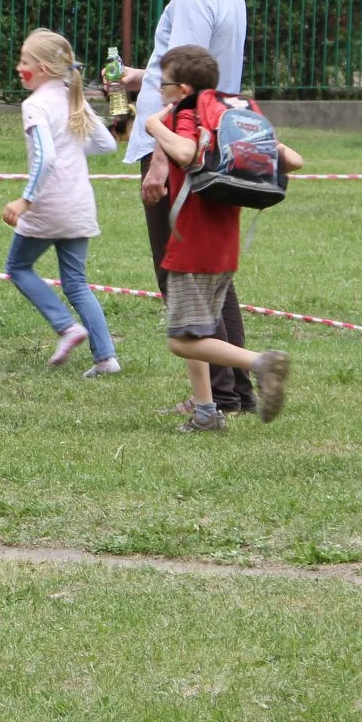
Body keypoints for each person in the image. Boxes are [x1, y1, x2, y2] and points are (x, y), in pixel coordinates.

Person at [114, 0, 257, 415]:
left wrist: (157, 159)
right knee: (210, 272)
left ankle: (217, 394)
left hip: (182, 153)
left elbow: (184, 88)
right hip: (209, 145)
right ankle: (236, 390)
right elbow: (187, 71)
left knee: (183, 272)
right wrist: (140, 76)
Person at [143, 45, 301, 433]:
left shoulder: (186, 112)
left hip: (191, 241)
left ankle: (260, 363)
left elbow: (183, 150)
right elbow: (294, 160)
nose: (159, 91)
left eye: (162, 84)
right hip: (225, 243)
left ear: (180, 87)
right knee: (194, 327)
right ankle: (206, 412)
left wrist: (154, 126)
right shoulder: (233, 111)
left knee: (181, 341)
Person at [1, 30, 120, 376]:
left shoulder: (35, 105)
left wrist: (25, 200)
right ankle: (106, 358)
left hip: (48, 206)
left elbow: (46, 157)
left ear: (41, 68)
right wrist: (73, 147)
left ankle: (67, 328)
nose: (18, 67)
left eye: (24, 62)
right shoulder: (73, 97)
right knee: (76, 282)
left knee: (18, 267)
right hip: (79, 204)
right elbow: (106, 145)